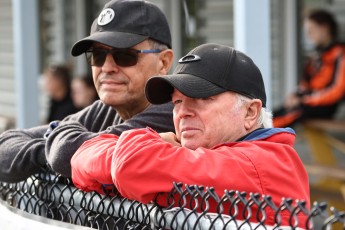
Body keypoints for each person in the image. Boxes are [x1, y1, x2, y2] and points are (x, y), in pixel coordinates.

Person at [71, 43, 310, 225]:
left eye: (201, 98)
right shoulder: (202, 157)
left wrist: (146, 147)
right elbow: (81, 156)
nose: (182, 113)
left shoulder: (262, 163)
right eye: (177, 102)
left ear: (250, 112)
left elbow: (131, 165)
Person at [0, 0, 174, 182]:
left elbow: (65, 154)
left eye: (124, 55)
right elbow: (5, 147)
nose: (107, 67)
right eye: (97, 55)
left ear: (163, 62)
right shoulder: (104, 110)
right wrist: (52, 147)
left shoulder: (174, 113)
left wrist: (58, 142)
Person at [273, 9, 345, 128]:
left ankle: (253, 140)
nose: (309, 35)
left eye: (311, 30)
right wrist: (295, 95)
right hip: (307, 103)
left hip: (324, 106)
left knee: (275, 123)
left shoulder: (340, 53)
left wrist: (304, 100)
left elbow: (337, 91)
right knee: (272, 115)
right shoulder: (316, 56)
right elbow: (306, 84)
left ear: (324, 28)